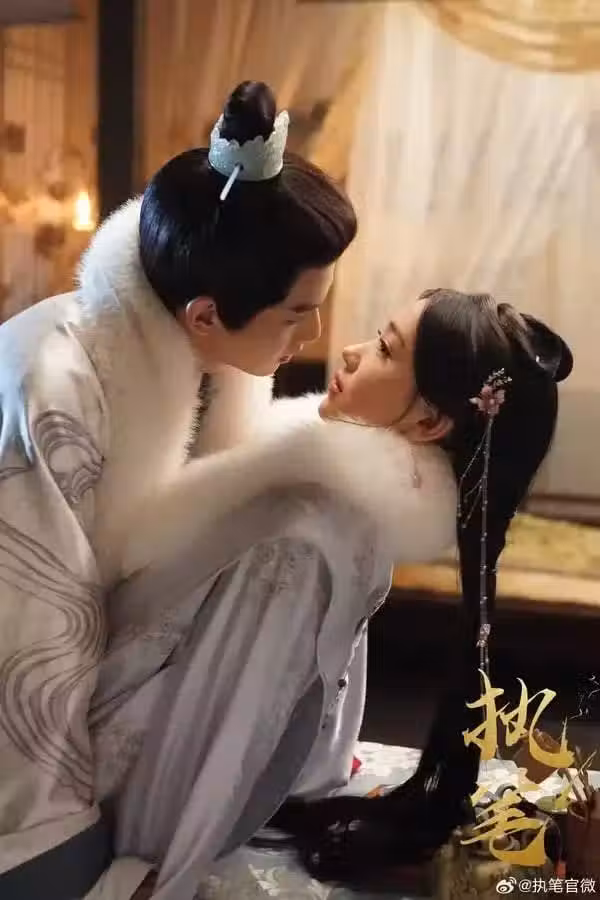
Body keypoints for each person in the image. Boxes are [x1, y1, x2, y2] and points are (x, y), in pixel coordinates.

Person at [87, 291, 570, 900]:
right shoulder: (352, 498)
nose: (349, 351)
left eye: (384, 349)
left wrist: (158, 868)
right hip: (261, 775)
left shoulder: (304, 530)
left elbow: (222, 732)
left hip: (152, 795)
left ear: (428, 424)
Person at [0, 80, 357, 897]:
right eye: (297, 313)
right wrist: (64, 856)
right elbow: (25, 648)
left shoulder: (196, 351)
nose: (314, 333)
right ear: (203, 315)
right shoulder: (50, 390)